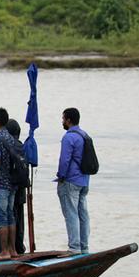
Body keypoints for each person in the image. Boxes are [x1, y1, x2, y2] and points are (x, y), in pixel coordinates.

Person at [56, 107, 91, 255]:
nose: (62, 121)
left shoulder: (69, 137)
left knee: (71, 213)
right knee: (82, 214)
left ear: (69, 120)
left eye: (63, 119)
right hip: (84, 180)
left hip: (70, 180)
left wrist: (61, 176)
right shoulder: (84, 135)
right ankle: (84, 247)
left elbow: (64, 160)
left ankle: (74, 247)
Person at [0, 107, 19, 260]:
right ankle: (13, 250)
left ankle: (4, 252)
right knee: (10, 216)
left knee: (1, 217)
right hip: (12, 183)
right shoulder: (10, 138)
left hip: (0, 183)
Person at [7, 119, 28, 255]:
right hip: (22, 187)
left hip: (11, 187)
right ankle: (20, 246)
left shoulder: (9, 145)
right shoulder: (21, 146)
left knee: (11, 217)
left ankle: (14, 246)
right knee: (19, 218)